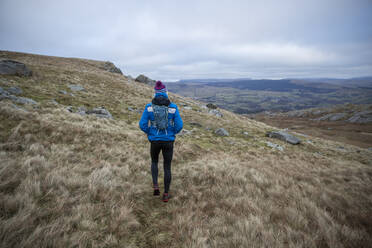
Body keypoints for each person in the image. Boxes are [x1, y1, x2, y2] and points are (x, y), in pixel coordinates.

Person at [139, 81, 183, 202]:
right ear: (165, 93)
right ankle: (166, 194)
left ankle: (156, 187)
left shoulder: (149, 107)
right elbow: (179, 125)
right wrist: (172, 132)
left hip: (154, 141)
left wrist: (150, 132)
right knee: (167, 167)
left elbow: (142, 124)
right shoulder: (173, 107)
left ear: (155, 93)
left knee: (154, 162)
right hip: (168, 141)